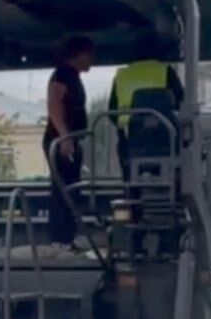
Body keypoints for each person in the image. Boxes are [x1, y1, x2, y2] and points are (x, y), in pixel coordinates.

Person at [108, 35, 184, 180]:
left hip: (131, 140)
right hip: (165, 139)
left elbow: (112, 112)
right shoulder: (166, 71)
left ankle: (129, 192)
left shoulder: (122, 75)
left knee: (128, 165)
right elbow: (181, 102)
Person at [45, 35, 95, 251]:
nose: (92, 61)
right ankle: (60, 240)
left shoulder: (72, 75)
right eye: (89, 55)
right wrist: (64, 136)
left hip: (71, 139)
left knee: (71, 189)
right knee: (63, 189)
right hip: (61, 140)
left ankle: (68, 238)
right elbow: (54, 104)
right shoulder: (63, 74)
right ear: (80, 54)